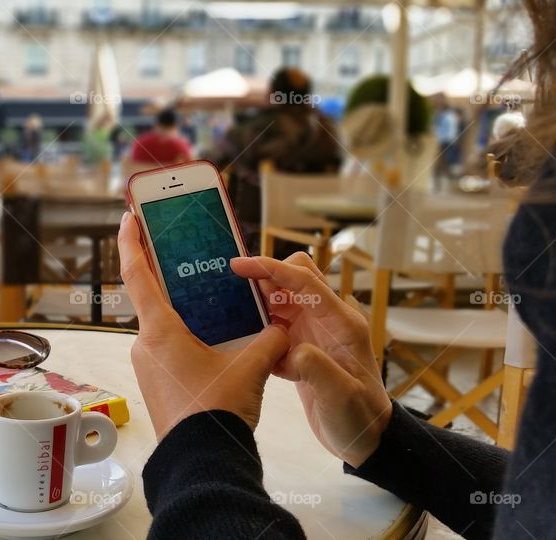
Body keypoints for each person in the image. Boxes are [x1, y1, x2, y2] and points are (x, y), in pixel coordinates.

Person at [121, 1, 555, 535]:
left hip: (261, 245)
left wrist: (199, 439)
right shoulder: (325, 127)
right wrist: (385, 436)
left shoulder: (251, 128)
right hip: (315, 238)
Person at [205, 67, 342, 255]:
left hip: (254, 234)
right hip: (308, 231)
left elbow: (208, 163)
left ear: (271, 94)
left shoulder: (252, 129)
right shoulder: (327, 130)